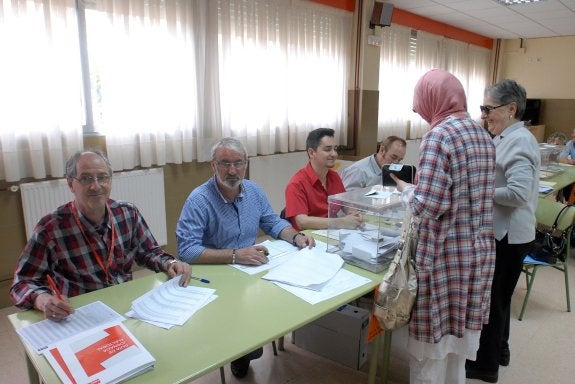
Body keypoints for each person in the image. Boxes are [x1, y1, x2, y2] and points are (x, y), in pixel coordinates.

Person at [176, 137, 315, 378]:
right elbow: (186, 250)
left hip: (251, 271)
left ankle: (252, 340)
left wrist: (296, 237)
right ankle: (239, 350)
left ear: (246, 163)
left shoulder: (253, 191)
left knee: (286, 299)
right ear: (213, 166)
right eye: (225, 163)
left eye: (238, 163)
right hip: (216, 277)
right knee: (246, 332)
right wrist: (233, 255)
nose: (232, 170)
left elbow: (271, 222)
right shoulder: (199, 200)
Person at [391, 69, 496, 384]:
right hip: (476, 253)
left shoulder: (438, 136)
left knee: (430, 353)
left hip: (444, 256)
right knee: (456, 347)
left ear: (433, 98)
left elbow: (429, 205)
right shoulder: (482, 135)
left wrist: (406, 191)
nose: (418, 110)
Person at [10, 149, 191, 322]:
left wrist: (171, 263)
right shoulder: (50, 228)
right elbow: (22, 283)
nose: (96, 186)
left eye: (102, 177)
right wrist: (42, 300)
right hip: (78, 315)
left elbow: (149, 252)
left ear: (110, 181)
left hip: (125, 307)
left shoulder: (127, 213)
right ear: (71, 184)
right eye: (86, 178)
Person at [465, 79, 540, 383]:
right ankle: (502, 350)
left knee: (493, 301)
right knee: (501, 299)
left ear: (511, 109)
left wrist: (482, 190)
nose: (484, 115)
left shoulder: (519, 140)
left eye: (488, 109)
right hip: (507, 234)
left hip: (509, 237)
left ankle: (486, 366)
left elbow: (519, 193)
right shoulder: (505, 136)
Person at [284, 127, 365, 231]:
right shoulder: (296, 184)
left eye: (335, 149)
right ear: (311, 153)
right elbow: (302, 222)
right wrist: (342, 222)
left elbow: (345, 204)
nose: (334, 154)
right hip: (309, 239)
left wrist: (354, 213)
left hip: (332, 233)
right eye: (327, 149)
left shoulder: (334, 176)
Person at [340, 136, 407, 190]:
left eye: (399, 160)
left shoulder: (392, 169)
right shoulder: (358, 171)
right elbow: (346, 201)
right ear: (382, 150)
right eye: (393, 157)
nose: (396, 163)